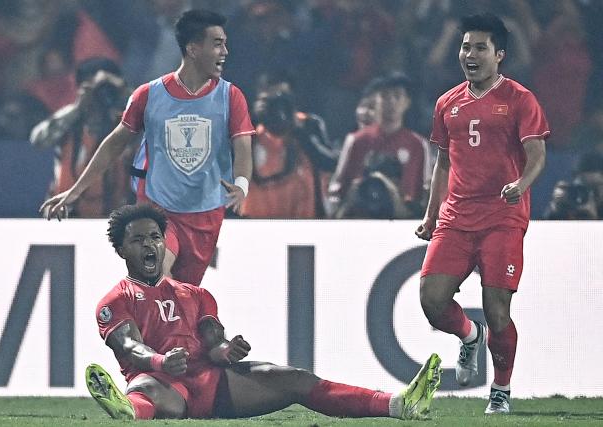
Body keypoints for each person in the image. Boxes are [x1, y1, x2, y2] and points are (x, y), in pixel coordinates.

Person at [86, 203, 442, 421]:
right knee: (145, 389)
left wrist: (227, 350)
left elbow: (213, 341)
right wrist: (163, 363)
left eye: (154, 237)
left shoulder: (195, 294)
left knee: (295, 378)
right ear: (121, 251)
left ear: (163, 243)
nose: (149, 244)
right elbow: (131, 347)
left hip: (213, 384)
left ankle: (398, 405)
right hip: (164, 385)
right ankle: (130, 410)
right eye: (138, 240)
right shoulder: (114, 301)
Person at [39, 10, 255, 285]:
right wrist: (75, 191)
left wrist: (242, 185)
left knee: (181, 299)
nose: (224, 51)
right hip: (158, 211)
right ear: (192, 49)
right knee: (157, 277)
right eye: (217, 44)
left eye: (224, 43)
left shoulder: (230, 96)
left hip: (205, 216)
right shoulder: (149, 94)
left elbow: (244, 146)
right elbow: (114, 144)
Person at [415, 13, 549, 415]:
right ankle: (470, 336)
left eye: (479, 48)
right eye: (465, 46)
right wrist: (431, 214)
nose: (469, 55)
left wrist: (520, 186)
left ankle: (501, 390)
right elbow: (443, 162)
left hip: (502, 216)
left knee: (498, 309)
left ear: (500, 54)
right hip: (457, 216)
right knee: (432, 300)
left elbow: (538, 154)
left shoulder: (519, 99)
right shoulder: (447, 103)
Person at [31, 57, 134, 218]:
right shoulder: (70, 119)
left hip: (114, 217)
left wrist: (127, 94)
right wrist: (78, 108)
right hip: (64, 213)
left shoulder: (127, 120)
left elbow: (156, 125)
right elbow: (38, 140)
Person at [328, 73, 433, 218]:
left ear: (407, 102)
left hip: (403, 220)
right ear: (375, 100)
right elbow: (338, 188)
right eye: (384, 96)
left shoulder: (418, 145)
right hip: (361, 219)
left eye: (397, 96)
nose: (391, 102)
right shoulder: (356, 141)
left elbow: (426, 192)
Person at [241, 80, 337, 219]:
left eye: (281, 100)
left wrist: (298, 131)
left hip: (303, 220)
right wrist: (253, 120)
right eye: (269, 101)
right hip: (257, 221)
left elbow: (329, 163)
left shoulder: (308, 125)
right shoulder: (247, 131)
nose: (275, 110)